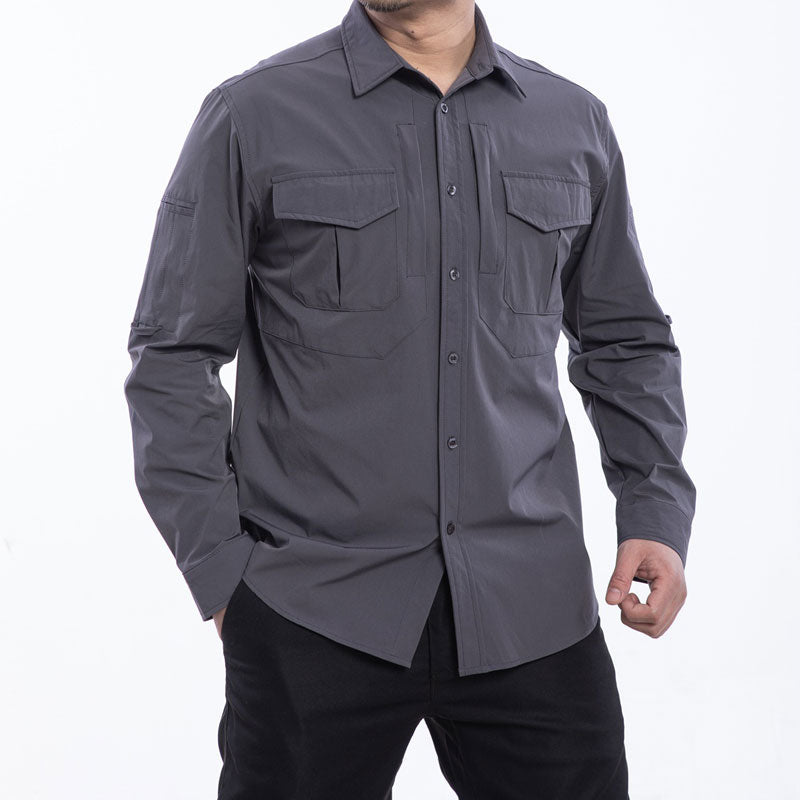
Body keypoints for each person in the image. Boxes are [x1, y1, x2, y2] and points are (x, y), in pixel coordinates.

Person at [123, 1, 696, 797]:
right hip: (312, 611)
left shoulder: (573, 122)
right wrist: (223, 575)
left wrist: (655, 514)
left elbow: (625, 339)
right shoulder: (252, 114)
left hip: (532, 610)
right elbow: (173, 355)